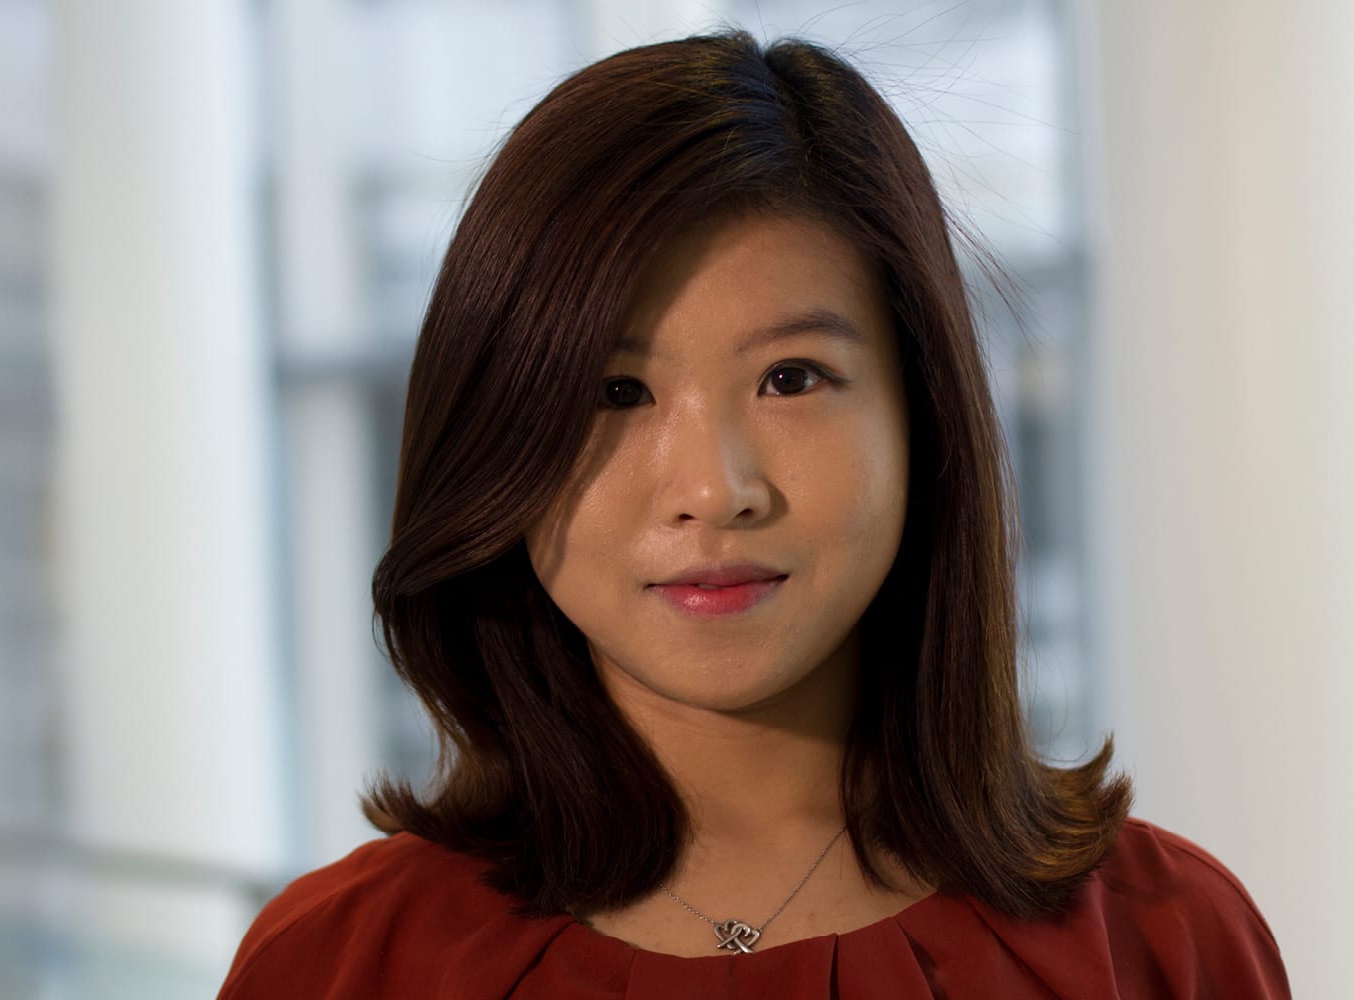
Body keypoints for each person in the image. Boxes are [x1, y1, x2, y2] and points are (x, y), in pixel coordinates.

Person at [219, 29, 1290, 999]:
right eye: (615, 392)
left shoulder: (1165, 945)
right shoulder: (337, 966)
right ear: (500, 435)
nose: (714, 488)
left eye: (792, 378)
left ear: (921, 411)